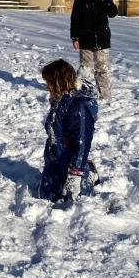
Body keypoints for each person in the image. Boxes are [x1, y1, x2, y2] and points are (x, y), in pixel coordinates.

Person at [38, 59, 99, 202]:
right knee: (46, 196)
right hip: (56, 159)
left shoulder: (77, 106)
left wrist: (75, 173)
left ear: (59, 83)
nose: (48, 89)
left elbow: (82, 142)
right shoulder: (60, 101)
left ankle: (86, 173)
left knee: (72, 201)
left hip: (70, 163)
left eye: (50, 84)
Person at [69, 0, 118, 100]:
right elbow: (75, 20)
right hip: (85, 39)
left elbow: (113, 13)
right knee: (86, 67)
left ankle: (105, 95)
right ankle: (77, 90)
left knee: (102, 68)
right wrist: (75, 38)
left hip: (102, 39)